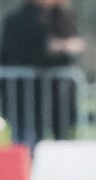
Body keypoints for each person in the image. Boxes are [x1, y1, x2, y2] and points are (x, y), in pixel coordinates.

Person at [0, 0, 83, 144]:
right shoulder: (18, 19)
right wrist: (56, 47)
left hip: (58, 99)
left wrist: (56, 47)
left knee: (61, 144)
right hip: (25, 98)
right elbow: (21, 52)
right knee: (27, 143)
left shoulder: (63, 17)